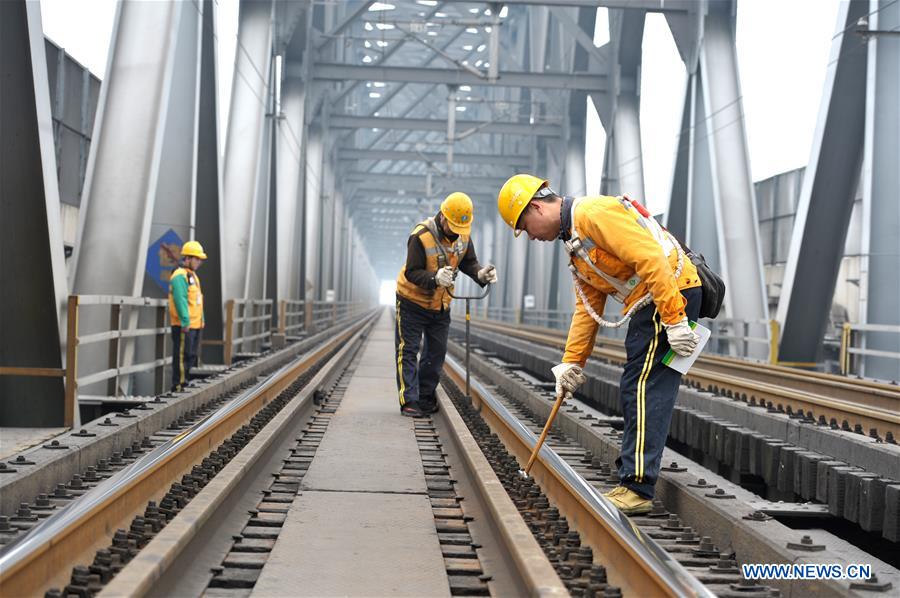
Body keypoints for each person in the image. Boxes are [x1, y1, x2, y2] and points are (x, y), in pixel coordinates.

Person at [497, 174, 703, 515]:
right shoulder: (576, 246)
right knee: (646, 384)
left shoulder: (592, 214)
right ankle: (636, 480)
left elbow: (650, 257)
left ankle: (636, 487)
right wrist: (571, 362)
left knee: (641, 386)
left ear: (536, 207)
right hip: (657, 298)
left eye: (525, 227)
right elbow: (587, 308)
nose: (531, 237)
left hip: (668, 293)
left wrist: (674, 318)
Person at [395, 192, 498, 418]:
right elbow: (412, 272)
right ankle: (409, 401)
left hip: (441, 304)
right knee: (408, 350)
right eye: (452, 227)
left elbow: (468, 262)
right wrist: (434, 279)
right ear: (442, 217)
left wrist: (480, 274)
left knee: (436, 352)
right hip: (411, 301)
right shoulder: (420, 236)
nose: (457, 233)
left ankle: (424, 396)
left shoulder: (463, 233)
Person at [168, 240, 207, 392]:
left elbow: (198, 299)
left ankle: (188, 383)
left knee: (191, 355)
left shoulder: (193, 276)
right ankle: (179, 386)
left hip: (195, 325)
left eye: (200, 260)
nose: (198, 262)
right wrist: (185, 321)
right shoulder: (179, 276)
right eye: (196, 259)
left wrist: (202, 319)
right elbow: (180, 299)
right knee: (182, 356)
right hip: (184, 325)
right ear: (188, 258)